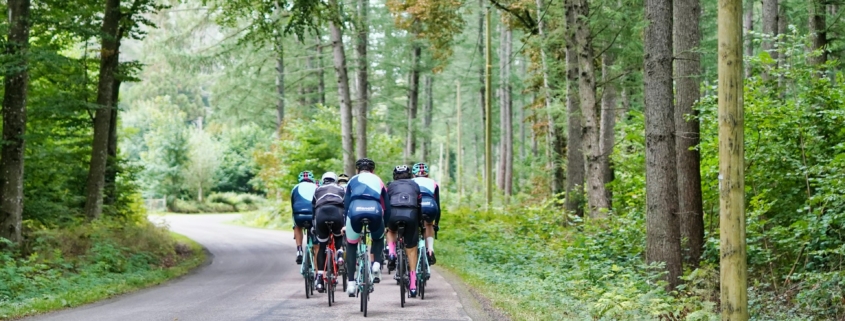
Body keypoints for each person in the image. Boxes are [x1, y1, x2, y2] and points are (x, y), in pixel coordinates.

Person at [344, 158, 389, 296]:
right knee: (378, 237)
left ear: (357, 170)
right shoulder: (378, 181)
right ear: (372, 170)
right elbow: (386, 206)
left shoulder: (352, 180)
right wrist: (385, 225)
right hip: (374, 211)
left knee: (351, 245)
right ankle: (376, 264)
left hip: (355, 211)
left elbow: (345, 204)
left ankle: (351, 284)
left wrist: (345, 223)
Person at [385, 165, 423, 297]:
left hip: (394, 213)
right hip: (411, 214)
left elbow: (385, 204)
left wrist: (385, 222)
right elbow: (419, 205)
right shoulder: (415, 185)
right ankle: (413, 285)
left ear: (395, 176)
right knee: (411, 249)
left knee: (390, 230)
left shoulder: (390, 186)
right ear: (410, 175)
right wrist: (419, 224)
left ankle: (391, 253)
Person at [311, 172, 346, 293]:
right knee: (338, 236)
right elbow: (346, 206)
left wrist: (313, 226)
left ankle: (320, 279)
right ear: (335, 180)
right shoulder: (341, 189)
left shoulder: (318, 190)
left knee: (322, 246)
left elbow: (313, 208)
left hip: (321, 213)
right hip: (337, 212)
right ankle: (340, 254)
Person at [412, 162, 440, 265]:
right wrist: (436, 223)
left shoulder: (411, 182)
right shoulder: (433, 183)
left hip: (416, 205)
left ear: (414, 174)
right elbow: (438, 205)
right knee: (429, 224)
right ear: (427, 174)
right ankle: (430, 250)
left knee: (413, 225)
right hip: (430, 205)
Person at [291, 171, 318, 264]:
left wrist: (293, 225)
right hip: (313, 215)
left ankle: (299, 250)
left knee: (297, 226)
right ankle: (317, 266)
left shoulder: (295, 188)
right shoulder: (317, 187)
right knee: (316, 235)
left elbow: (293, 206)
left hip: (299, 215)